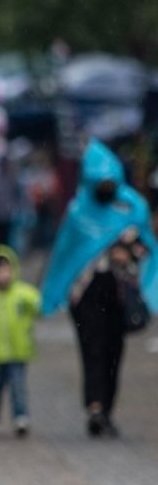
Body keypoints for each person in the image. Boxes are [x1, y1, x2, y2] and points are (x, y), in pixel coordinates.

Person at [40, 140, 158, 438]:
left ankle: (106, 408)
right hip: (86, 294)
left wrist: (128, 249)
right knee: (92, 349)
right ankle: (94, 407)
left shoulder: (132, 206)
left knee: (114, 352)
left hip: (119, 292)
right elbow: (64, 255)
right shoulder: (78, 211)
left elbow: (147, 246)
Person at [0, 246, 40, 438]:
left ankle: (21, 416)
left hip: (19, 349)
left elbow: (39, 306)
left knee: (18, 386)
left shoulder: (24, 293)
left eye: (6, 270)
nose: (3, 275)